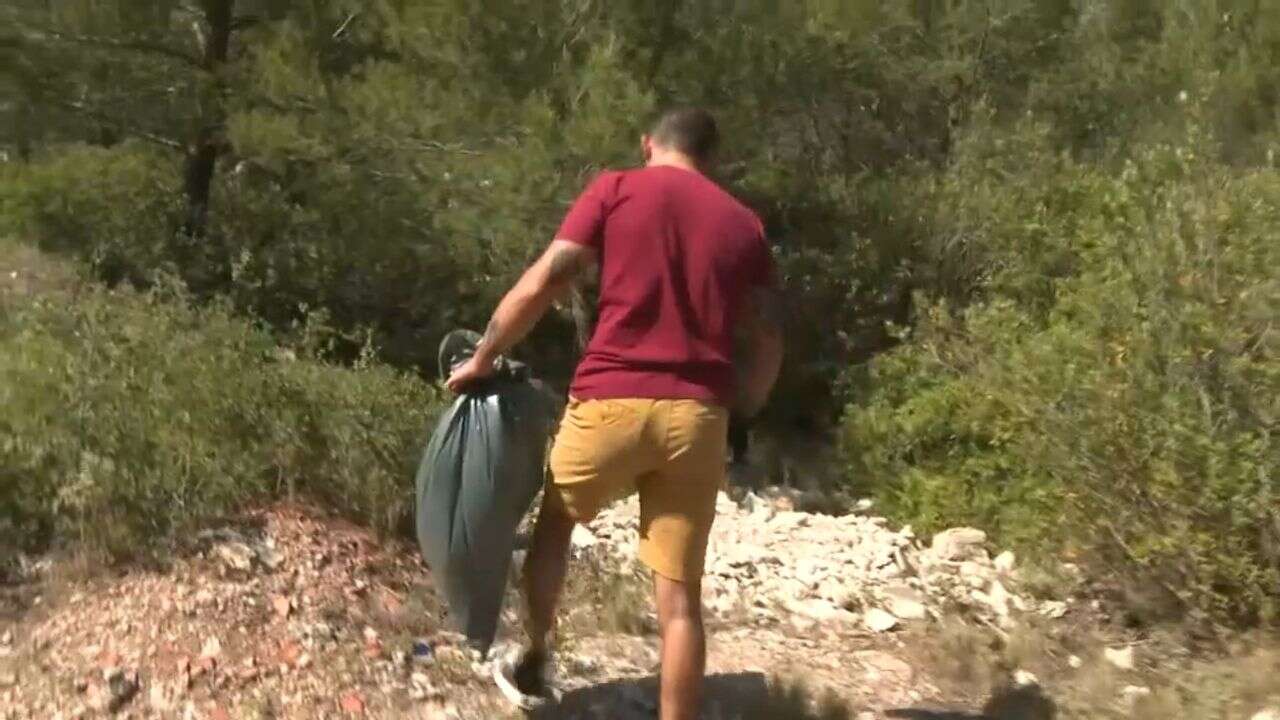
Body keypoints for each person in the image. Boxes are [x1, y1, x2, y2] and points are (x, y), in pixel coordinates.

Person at [446, 107, 785, 720]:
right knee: (680, 600)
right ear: (712, 159)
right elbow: (767, 343)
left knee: (555, 525)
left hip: (610, 402)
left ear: (647, 144)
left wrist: (484, 356)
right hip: (697, 415)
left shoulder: (616, 189)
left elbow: (542, 283)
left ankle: (537, 654)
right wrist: (740, 416)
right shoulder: (743, 224)